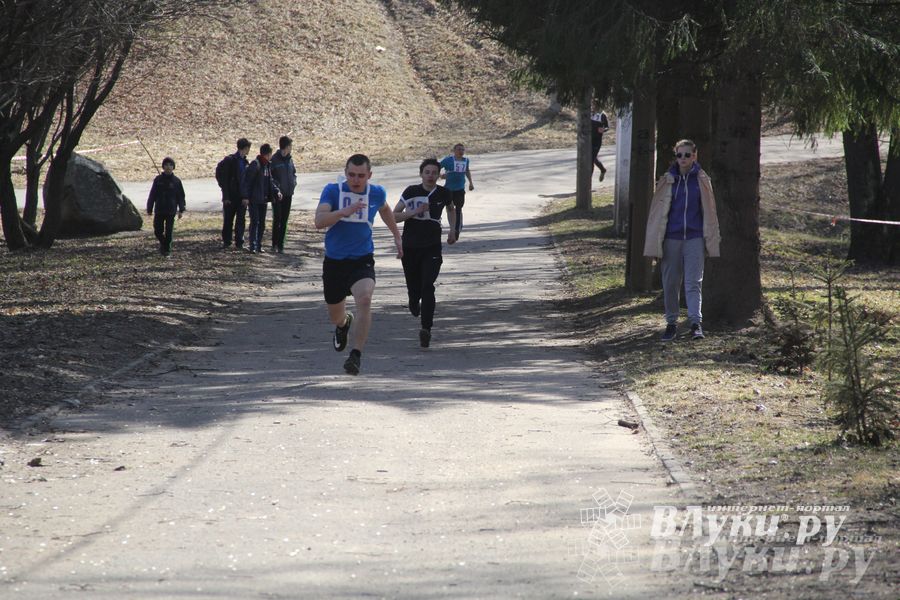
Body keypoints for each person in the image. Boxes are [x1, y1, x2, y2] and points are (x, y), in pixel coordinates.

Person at [315, 154, 403, 375]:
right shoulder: (332, 191)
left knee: (364, 299)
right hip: (334, 262)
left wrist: (397, 236)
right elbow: (319, 221)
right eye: (351, 175)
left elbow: (384, 209)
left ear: (369, 175)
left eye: (361, 176)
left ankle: (355, 355)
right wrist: (342, 212)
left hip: (362, 259)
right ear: (346, 173)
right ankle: (344, 324)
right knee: (335, 315)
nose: (356, 180)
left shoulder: (376, 192)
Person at [643, 139, 721, 341]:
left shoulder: (702, 180)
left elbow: (710, 212)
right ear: (675, 157)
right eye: (680, 155)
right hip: (671, 238)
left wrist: (710, 239)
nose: (683, 159)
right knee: (670, 283)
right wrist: (654, 241)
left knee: (693, 282)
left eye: (687, 155)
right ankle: (671, 323)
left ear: (695, 156)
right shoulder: (668, 180)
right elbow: (657, 213)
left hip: (695, 238)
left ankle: (696, 323)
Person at [393, 158, 457, 348]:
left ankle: (426, 329)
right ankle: (413, 300)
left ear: (439, 175)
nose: (430, 176)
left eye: (434, 173)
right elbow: (394, 216)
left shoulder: (444, 193)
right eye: (427, 172)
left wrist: (452, 230)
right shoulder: (411, 192)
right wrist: (413, 212)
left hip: (432, 247)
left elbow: (451, 209)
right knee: (414, 288)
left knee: (428, 285)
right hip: (410, 247)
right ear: (421, 174)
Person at [241, 143, 282, 253]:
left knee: (262, 223)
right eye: (270, 154)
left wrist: (276, 190)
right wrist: (245, 196)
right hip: (254, 199)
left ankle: (258, 244)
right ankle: (252, 245)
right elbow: (247, 182)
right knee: (255, 222)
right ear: (267, 154)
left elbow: (270, 181)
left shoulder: (267, 166)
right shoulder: (256, 164)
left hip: (263, 199)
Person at [146, 157, 185, 256]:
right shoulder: (158, 180)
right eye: (166, 165)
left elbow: (181, 196)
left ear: (173, 167)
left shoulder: (176, 181)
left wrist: (181, 209)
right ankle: (164, 244)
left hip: (171, 210)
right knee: (158, 231)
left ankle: (167, 250)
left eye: (170, 165)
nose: (168, 167)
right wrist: (149, 208)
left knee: (169, 231)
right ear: (163, 167)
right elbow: (152, 194)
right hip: (159, 209)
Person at [217, 138, 251, 250]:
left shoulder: (245, 162)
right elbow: (223, 178)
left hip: (242, 197)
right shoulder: (230, 160)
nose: (248, 151)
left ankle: (239, 242)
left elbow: (246, 181)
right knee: (228, 220)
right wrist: (226, 195)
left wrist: (246, 196)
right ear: (245, 148)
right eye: (248, 148)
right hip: (231, 196)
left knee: (241, 220)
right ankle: (227, 241)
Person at [269, 135, 297, 254]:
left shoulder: (290, 159)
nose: (291, 148)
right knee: (277, 219)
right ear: (286, 147)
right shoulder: (274, 160)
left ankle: (281, 245)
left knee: (284, 220)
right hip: (277, 195)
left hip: (288, 194)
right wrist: (277, 189)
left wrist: (294, 182)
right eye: (290, 146)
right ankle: (274, 244)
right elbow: (270, 177)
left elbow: (293, 173)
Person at [439, 143, 474, 238]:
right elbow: (437, 167)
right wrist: (440, 176)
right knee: (449, 208)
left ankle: (456, 230)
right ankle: (446, 225)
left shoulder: (466, 160)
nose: (461, 151)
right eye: (459, 149)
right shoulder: (448, 160)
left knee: (458, 209)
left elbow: (467, 170)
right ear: (454, 151)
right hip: (448, 189)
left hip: (460, 189)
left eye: (462, 150)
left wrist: (470, 183)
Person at [590, 108, 609, 181]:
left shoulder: (602, 115)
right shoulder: (589, 113)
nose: (594, 106)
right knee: (592, 158)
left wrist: (603, 130)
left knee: (591, 160)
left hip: (596, 141)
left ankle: (588, 182)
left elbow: (607, 127)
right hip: (588, 140)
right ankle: (603, 170)